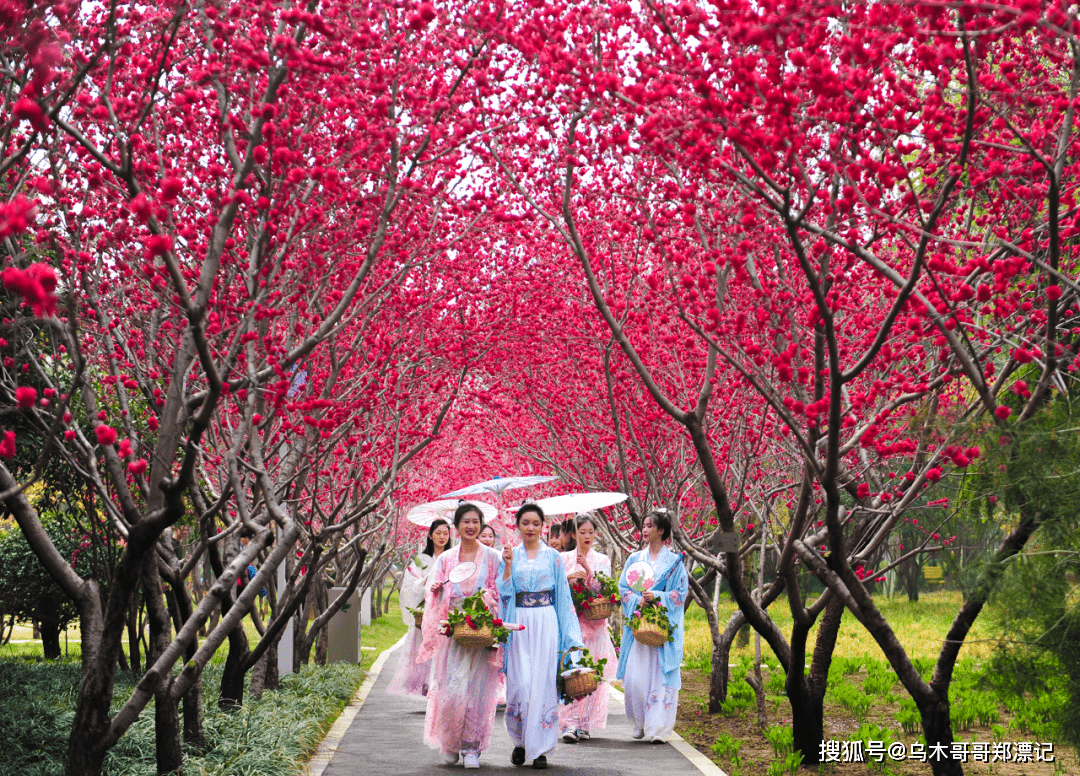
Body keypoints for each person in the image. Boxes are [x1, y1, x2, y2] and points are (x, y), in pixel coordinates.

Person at [498, 503, 585, 769]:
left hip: (547, 622)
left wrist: (571, 638)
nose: (531, 528)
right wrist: (508, 567)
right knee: (521, 684)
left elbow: (563, 598)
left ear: (543, 525)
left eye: (536, 523)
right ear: (517, 526)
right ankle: (521, 742)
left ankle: (541, 748)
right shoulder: (510, 555)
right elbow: (504, 592)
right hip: (520, 623)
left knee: (544, 684)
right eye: (525, 523)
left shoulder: (553, 558)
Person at [417, 503, 503, 769]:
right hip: (454, 635)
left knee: (478, 692)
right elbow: (437, 593)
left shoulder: (493, 557)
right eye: (465, 521)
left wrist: (486, 600)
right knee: (452, 690)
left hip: (480, 634)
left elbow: (499, 590)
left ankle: (472, 748)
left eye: (475, 521)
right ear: (457, 526)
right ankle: (451, 743)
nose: (471, 526)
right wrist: (435, 591)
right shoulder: (445, 559)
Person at [617, 510, 688, 743]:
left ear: (661, 530)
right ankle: (639, 722)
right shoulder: (635, 559)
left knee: (660, 677)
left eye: (650, 526)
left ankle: (656, 728)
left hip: (661, 629)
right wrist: (636, 599)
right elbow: (623, 588)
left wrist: (657, 596)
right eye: (643, 526)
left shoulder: (674, 562)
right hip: (639, 627)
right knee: (635, 680)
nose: (644, 530)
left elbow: (680, 594)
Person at [559, 514, 616, 743]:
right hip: (573, 623)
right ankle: (571, 722)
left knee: (593, 672)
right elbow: (557, 588)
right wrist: (569, 575)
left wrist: (589, 573)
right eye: (582, 532)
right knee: (574, 671)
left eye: (591, 532)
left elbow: (604, 591)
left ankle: (585, 723)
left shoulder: (602, 560)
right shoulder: (563, 558)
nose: (587, 536)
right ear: (574, 534)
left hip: (595, 622)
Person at [386, 518, 451, 697]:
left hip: (445, 609)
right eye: (438, 533)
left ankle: (441, 685)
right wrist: (425, 581)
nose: (442, 537)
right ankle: (427, 685)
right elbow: (410, 584)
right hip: (426, 610)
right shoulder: (422, 559)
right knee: (427, 647)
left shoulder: (451, 557)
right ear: (430, 535)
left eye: (445, 533)